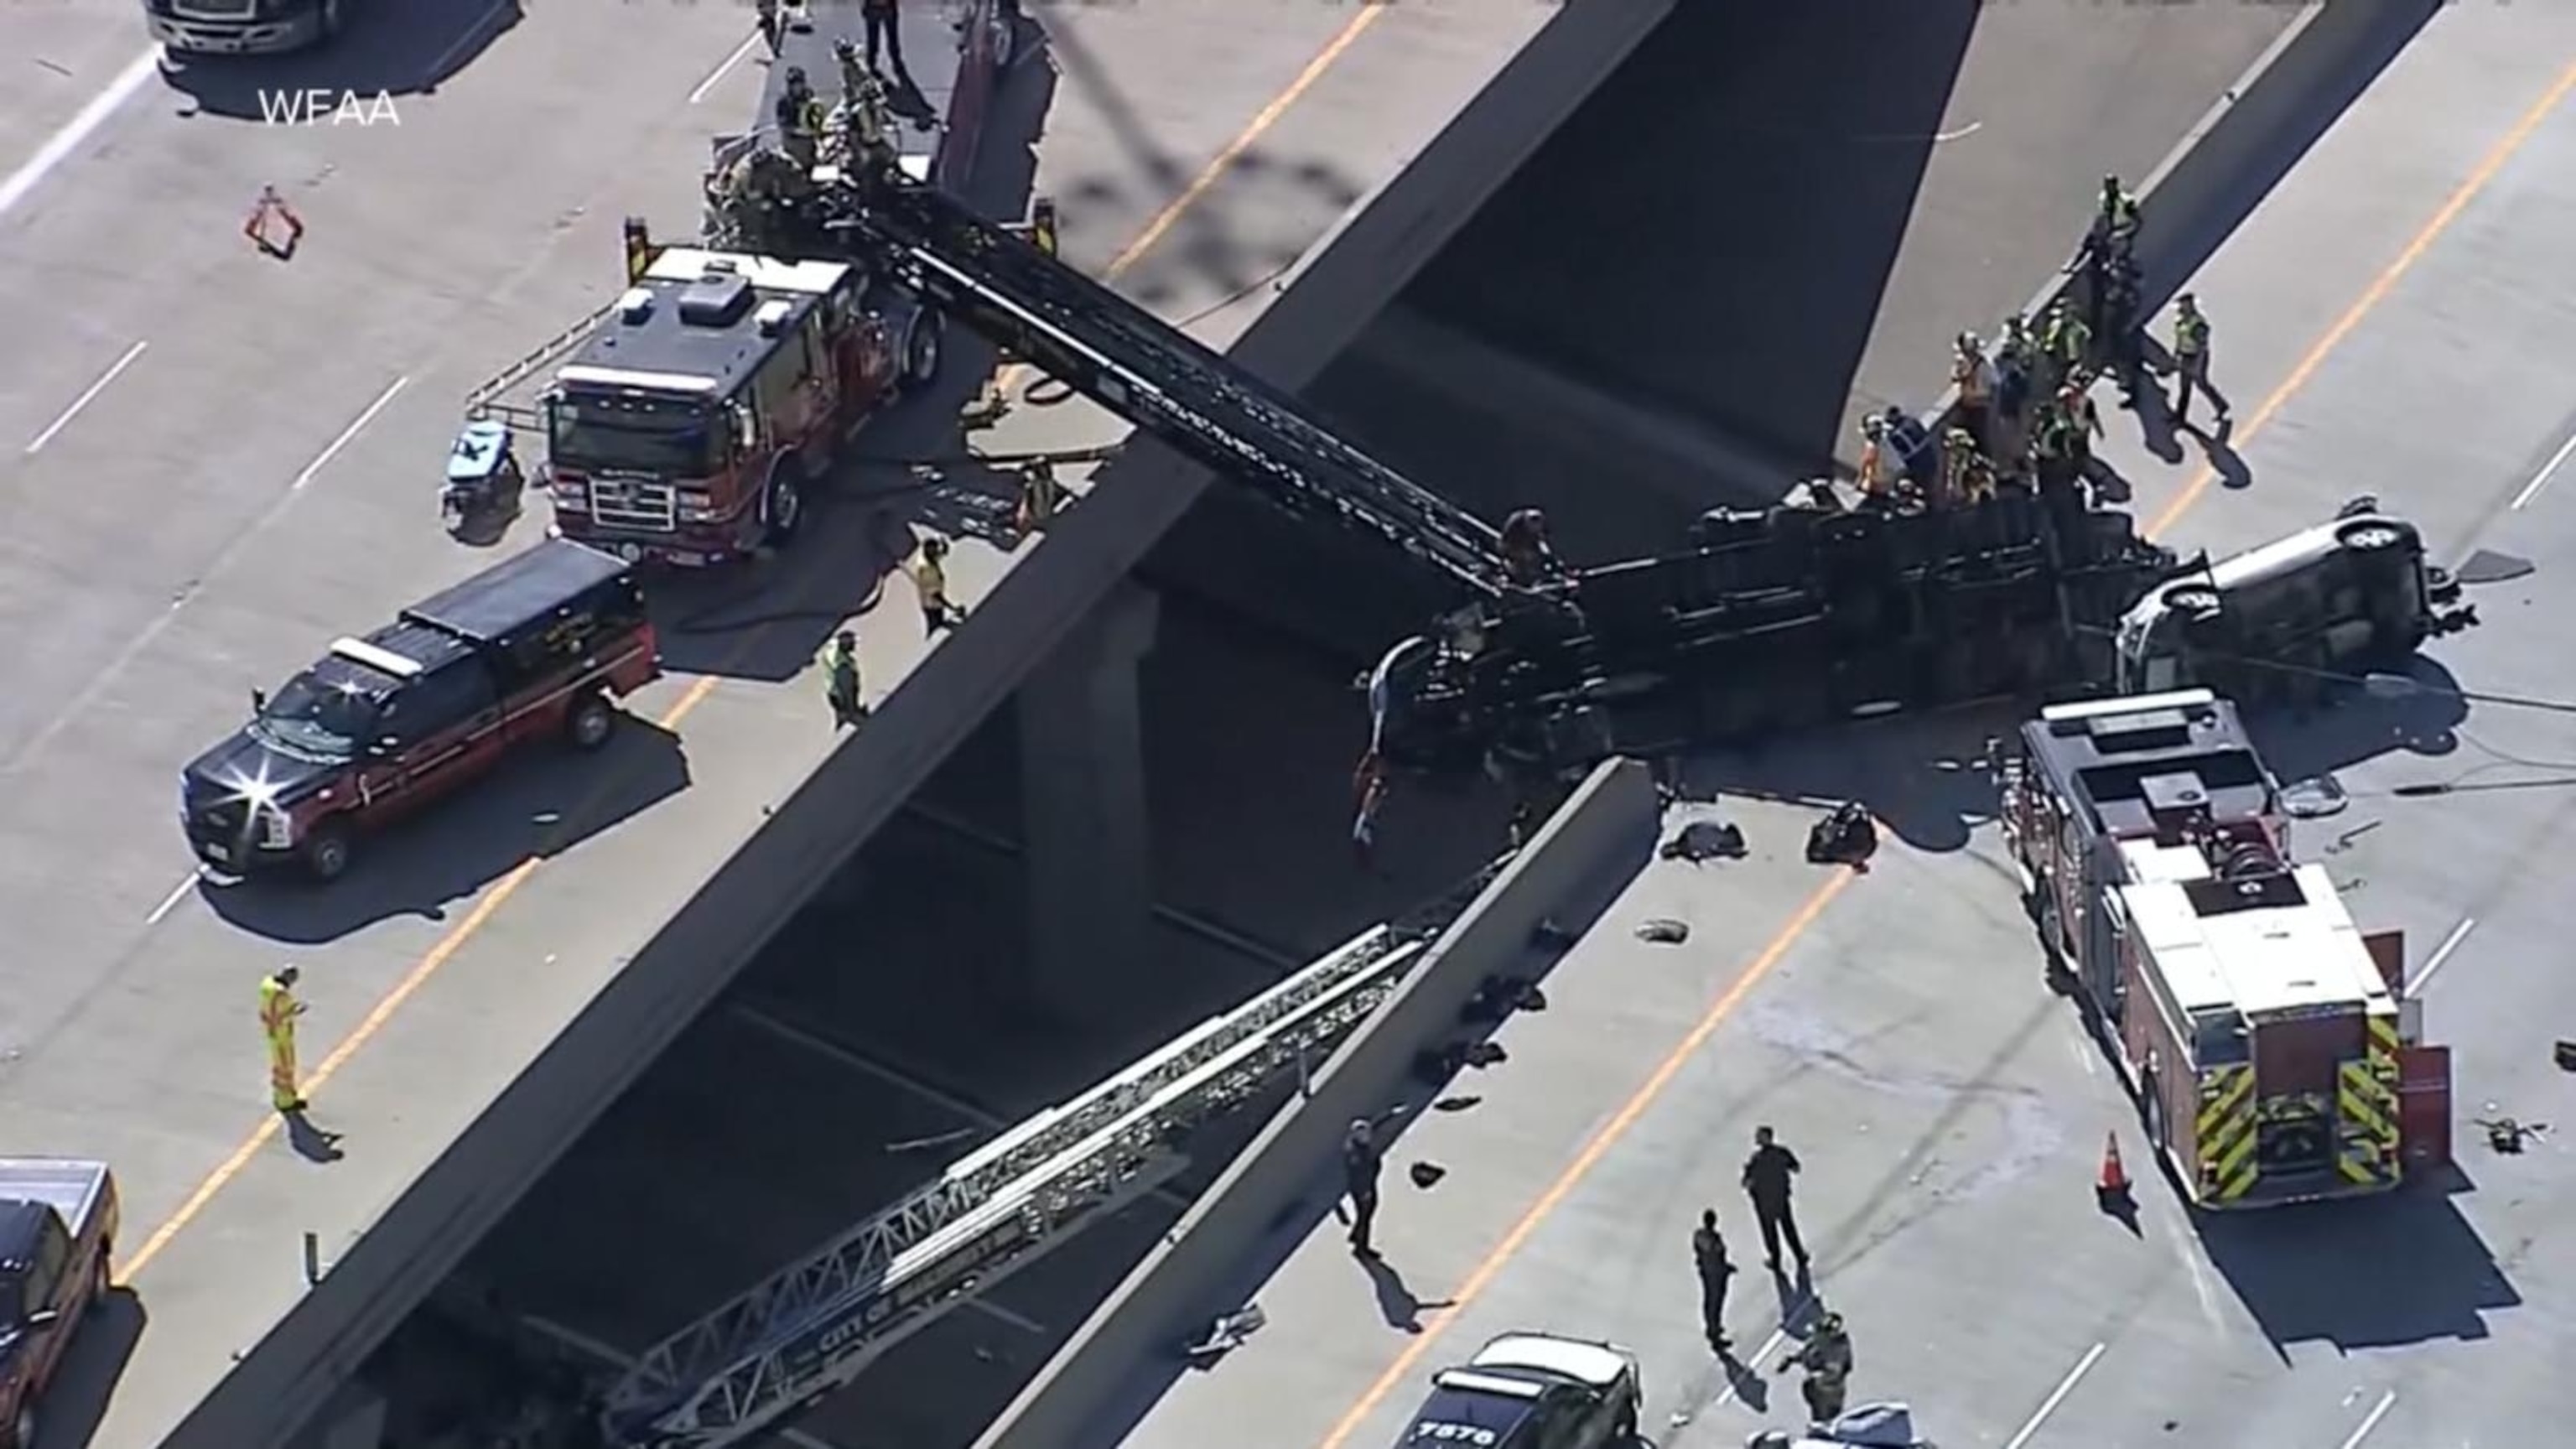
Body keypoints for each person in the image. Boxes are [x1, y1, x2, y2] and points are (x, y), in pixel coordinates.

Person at [1742, 1125, 1809, 1272]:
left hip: (1765, 1202)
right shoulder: (1781, 1153)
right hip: (1780, 1199)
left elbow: (1746, 1182)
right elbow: (1796, 1167)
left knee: (1771, 1233)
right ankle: (1799, 1256)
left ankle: (1776, 1260)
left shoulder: (1756, 1160)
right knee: (1788, 1228)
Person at [1779, 1311, 1854, 1425]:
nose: (1819, 1333)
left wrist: (1817, 1376)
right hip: (1817, 1391)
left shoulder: (1838, 1349)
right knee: (1818, 1418)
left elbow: (1835, 1371)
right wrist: (1791, 1360)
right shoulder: (1818, 1340)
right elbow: (1807, 1353)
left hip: (1829, 1393)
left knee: (1828, 1422)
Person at [2168, 293, 2231, 427]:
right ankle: (2180, 416)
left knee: (2201, 384)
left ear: (2190, 305)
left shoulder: (2197, 324)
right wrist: (2176, 355)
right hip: (2185, 356)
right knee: (2184, 387)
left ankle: (2221, 406)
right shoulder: (2180, 321)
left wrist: (2198, 365)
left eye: (2183, 304)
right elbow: (2180, 339)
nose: (2180, 307)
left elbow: (2202, 346)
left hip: (2196, 357)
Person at [259, 966, 309, 1114]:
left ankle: (284, 1096)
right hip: (281, 1034)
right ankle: (285, 1101)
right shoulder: (282, 995)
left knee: (280, 1066)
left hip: (273, 1032)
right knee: (285, 1068)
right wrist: (296, 1010)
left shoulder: (267, 985)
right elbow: (281, 1016)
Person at [1691, 1209, 1737, 1353]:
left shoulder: (1698, 1235)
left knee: (1709, 1300)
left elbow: (1699, 1252)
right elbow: (1718, 1256)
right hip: (1716, 1275)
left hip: (1705, 1273)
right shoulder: (1715, 1239)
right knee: (1715, 1304)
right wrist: (1728, 1269)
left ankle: (1711, 1326)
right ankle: (1715, 1333)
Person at [1343, 1116, 1387, 1255]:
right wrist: (1365, 1192)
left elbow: (1375, 1125)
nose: (1369, 1136)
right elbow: (1360, 1175)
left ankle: (1356, 1235)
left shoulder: (1357, 1145)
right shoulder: (1357, 1155)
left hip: (1367, 1185)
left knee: (1366, 1213)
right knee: (1365, 1217)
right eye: (1366, 1134)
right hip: (1363, 1189)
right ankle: (1361, 1248)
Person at [907, 536, 964, 634]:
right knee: (936, 630)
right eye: (933, 549)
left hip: (934, 604)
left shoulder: (931, 559)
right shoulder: (926, 567)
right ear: (927, 549)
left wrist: (944, 543)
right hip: (931, 605)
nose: (935, 551)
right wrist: (953, 608)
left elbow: (943, 553)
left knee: (938, 628)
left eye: (936, 548)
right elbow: (936, 594)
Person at [820, 631, 866, 727]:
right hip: (840, 695)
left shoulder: (832, 651)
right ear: (845, 645)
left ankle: (842, 719)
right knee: (849, 715)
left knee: (841, 713)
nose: (854, 646)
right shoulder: (842, 665)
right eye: (852, 643)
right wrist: (852, 710)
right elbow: (847, 689)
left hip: (833, 691)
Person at [863, 0, 906, 75]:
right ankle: (895, 62)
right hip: (882, 8)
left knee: (875, 39)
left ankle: (871, 62)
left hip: (878, 7)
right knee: (890, 39)